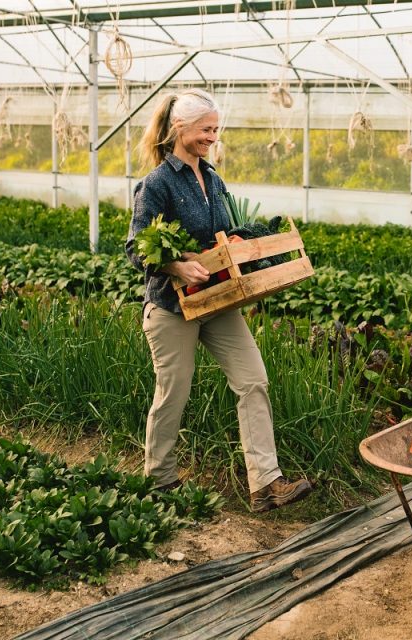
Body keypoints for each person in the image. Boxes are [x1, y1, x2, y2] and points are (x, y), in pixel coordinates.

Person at [125, 88, 312, 513]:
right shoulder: (156, 184)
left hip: (218, 301)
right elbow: (136, 246)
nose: (213, 136)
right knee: (174, 390)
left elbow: (221, 237)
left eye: (215, 129)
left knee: (253, 380)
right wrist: (176, 265)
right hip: (173, 308)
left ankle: (265, 484)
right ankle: (159, 479)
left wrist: (250, 245)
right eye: (206, 129)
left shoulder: (213, 179)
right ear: (180, 128)